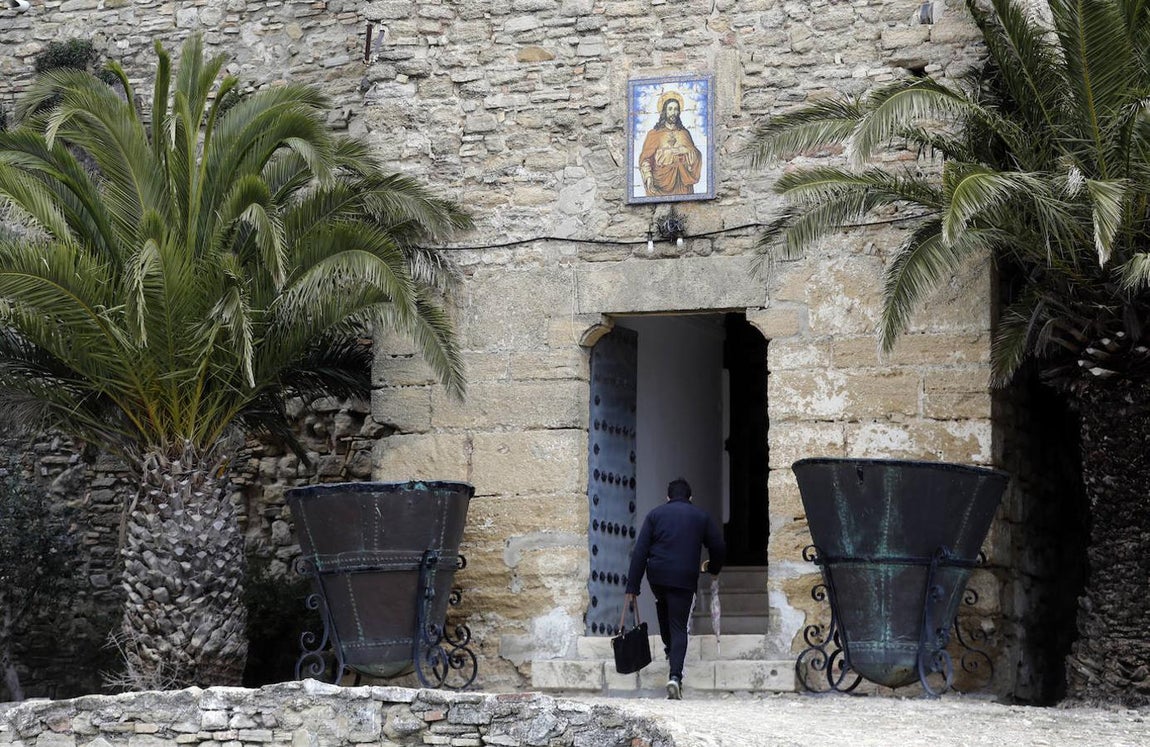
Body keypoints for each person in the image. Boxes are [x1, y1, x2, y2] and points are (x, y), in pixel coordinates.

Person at [625, 477, 725, 700]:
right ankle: (675, 677)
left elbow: (640, 551)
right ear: (690, 498)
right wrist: (714, 568)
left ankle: (671, 651)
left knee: (663, 610)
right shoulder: (701, 517)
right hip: (684, 578)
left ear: (667, 497)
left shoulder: (655, 515)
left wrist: (633, 585)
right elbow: (718, 546)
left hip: (657, 577)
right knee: (678, 625)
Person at [637, 91, 703, 197]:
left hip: (682, 184)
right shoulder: (654, 134)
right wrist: (648, 176)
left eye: (676, 109)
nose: (673, 112)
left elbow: (697, 155)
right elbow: (645, 159)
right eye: (670, 109)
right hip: (660, 184)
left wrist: (687, 150)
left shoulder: (684, 133)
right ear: (664, 111)